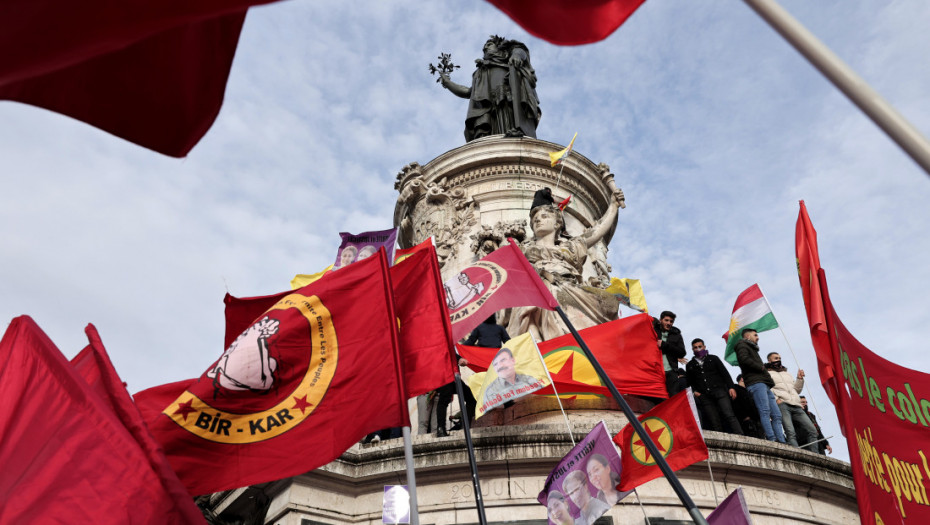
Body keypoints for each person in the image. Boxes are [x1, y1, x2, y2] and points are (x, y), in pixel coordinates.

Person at [507, 187, 624, 342]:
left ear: (557, 223)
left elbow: (596, 232)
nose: (538, 220)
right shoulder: (524, 249)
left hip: (570, 289)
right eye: (535, 219)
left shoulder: (570, 247)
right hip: (539, 293)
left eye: (544, 216)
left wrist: (613, 206)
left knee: (608, 303)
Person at [438, 35, 541, 142]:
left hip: (508, 97)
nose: (485, 48)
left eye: (489, 44)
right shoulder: (482, 71)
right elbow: (469, 92)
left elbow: (520, 50)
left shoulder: (507, 58)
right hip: (489, 107)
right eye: (484, 47)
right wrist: (447, 83)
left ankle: (514, 134)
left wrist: (516, 55)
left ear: (499, 46)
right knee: (490, 129)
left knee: (509, 116)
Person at [735, 329, 786, 443]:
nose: (758, 337)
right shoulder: (742, 345)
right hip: (756, 383)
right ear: (748, 337)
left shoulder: (751, 348)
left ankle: (781, 441)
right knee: (765, 411)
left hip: (764, 384)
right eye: (755, 335)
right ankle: (772, 439)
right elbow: (744, 359)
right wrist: (761, 367)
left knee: (777, 415)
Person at [685, 338, 742, 435]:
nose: (698, 349)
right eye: (695, 348)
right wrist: (695, 392)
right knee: (713, 420)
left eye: (700, 346)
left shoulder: (713, 358)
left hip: (720, 391)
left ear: (704, 347)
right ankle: (720, 441)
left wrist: (731, 387)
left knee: (728, 414)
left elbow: (725, 373)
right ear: (692, 349)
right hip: (704, 396)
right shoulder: (690, 365)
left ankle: (740, 436)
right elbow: (689, 382)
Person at [766, 352, 819, 452]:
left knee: (812, 430)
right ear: (769, 360)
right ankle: (797, 454)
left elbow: (797, 390)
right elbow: (768, 389)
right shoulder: (767, 373)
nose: (778, 360)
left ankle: (815, 454)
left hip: (796, 405)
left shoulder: (787, 373)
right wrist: (777, 399)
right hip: (783, 405)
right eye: (776, 358)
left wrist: (799, 379)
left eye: (780, 358)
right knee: (790, 432)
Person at [653, 311, 687, 397]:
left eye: (671, 321)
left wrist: (665, 345)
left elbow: (682, 352)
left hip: (671, 371)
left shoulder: (677, 335)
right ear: (660, 320)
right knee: (657, 396)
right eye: (666, 320)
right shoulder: (653, 331)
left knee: (674, 397)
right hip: (655, 370)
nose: (669, 323)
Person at [733, 374, 765, 439]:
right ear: (742, 379)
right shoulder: (736, 389)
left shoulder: (750, 391)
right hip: (746, 421)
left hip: (756, 420)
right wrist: (745, 416)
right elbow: (736, 404)